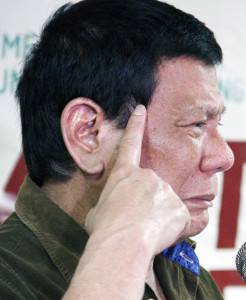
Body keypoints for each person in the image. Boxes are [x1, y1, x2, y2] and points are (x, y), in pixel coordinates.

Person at [0, 0, 234, 299]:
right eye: (197, 124)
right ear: (88, 133)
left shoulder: (180, 268)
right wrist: (126, 244)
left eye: (217, 124)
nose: (224, 158)